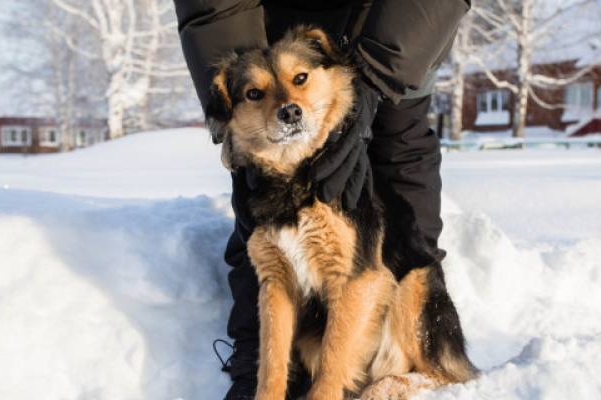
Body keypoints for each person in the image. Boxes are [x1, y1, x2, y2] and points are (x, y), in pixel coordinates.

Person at [174, 1, 470, 398]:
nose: (287, 105)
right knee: (270, 268)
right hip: (273, 19)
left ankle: (413, 365)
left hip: (405, 22)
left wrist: (375, 80)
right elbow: (212, 11)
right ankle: (263, 367)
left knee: (400, 141)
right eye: (256, 94)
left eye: (298, 81)